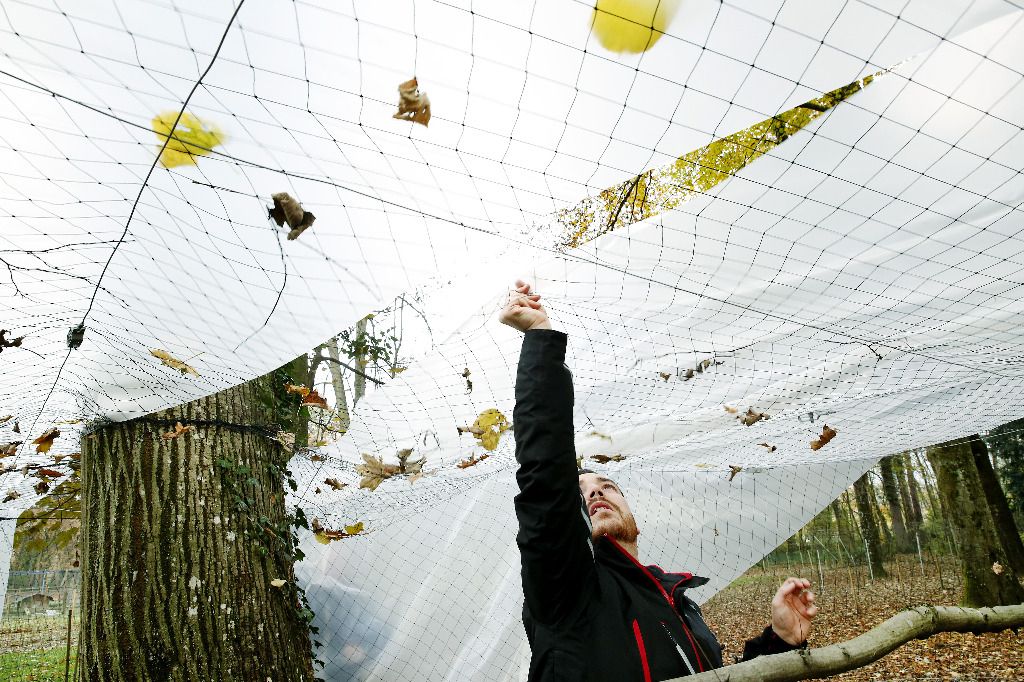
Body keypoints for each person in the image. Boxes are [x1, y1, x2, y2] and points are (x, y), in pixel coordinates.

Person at [500, 280, 818, 681]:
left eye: (607, 485)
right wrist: (540, 338)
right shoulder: (571, 593)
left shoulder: (680, 602)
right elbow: (545, 483)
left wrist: (779, 642)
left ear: (633, 514)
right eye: (580, 494)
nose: (595, 491)